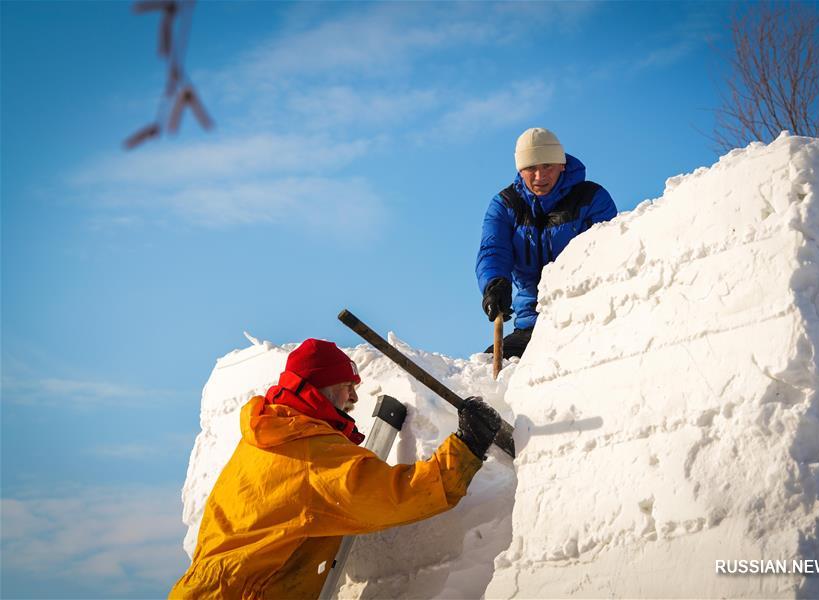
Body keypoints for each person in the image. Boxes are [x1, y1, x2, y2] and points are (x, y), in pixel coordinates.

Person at [170, 338, 500, 599]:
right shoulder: (312, 451)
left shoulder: (264, 434)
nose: (354, 398)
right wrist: (466, 446)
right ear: (322, 388)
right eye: (347, 386)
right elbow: (397, 495)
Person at [476, 127, 618, 358]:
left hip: (585, 317)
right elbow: (494, 249)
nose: (539, 177)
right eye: (531, 168)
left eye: (547, 167)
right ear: (520, 170)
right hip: (531, 324)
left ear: (562, 164)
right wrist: (495, 284)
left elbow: (608, 252)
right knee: (487, 368)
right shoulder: (505, 205)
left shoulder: (591, 198)